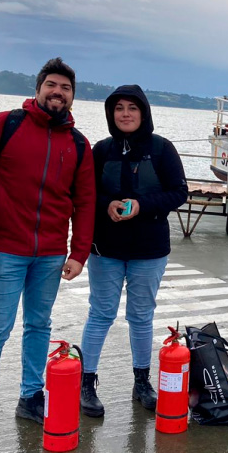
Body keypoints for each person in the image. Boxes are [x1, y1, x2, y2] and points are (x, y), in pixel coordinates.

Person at [0, 58, 96, 442]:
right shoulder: (8, 124)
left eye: (66, 88)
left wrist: (79, 252)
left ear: (73, 96)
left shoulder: (78, 143)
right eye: (52, 85)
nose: (58, 92)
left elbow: (85, 201)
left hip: (52, 253)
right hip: (6, 247)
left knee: (39, 326)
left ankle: (31, 396)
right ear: (38, 89)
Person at [78, 85, 189, 418]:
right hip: (106, 249)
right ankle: (87, 382)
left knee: (141, 317)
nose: (125, 114)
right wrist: (106, 204)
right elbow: (84, 195)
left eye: (132, 108)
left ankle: (141, 382)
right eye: (118, 108)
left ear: (144, 113)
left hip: (149, 250)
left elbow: (179, 192)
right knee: (100, 314)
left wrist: (142, 205)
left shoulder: (162, 149)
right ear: (111, 114)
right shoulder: (100, 150)